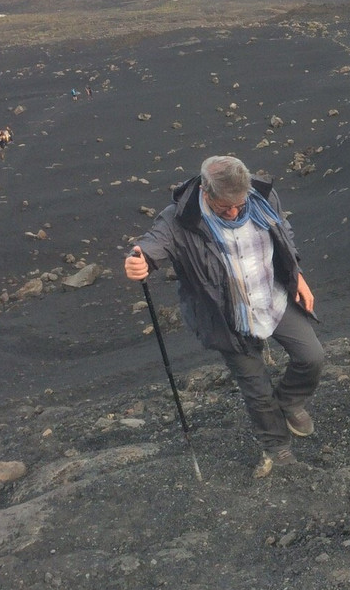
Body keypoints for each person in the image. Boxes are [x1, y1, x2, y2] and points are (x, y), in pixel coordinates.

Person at [123, 155, 325, 478]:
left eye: (238, 205)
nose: (233, 212)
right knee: (256, 389)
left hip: (273, 299)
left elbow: (282, 231)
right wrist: (139, 261)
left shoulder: (262, 196)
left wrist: (297, 274)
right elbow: (152, 246)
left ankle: (289, 401)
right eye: (224, 208)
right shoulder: (180, 219)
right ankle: (278, 449)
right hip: (226, 317)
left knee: (312, 356)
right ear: (205, 191)